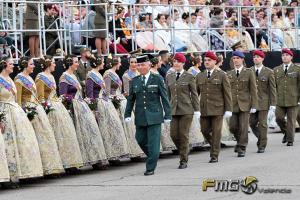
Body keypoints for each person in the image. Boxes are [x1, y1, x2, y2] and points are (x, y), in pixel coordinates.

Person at [15, 56, 64, 176]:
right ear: (25, 65)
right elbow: (18, 100)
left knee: (45, 137)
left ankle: (49, 167)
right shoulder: (18, 79)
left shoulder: (30, 78)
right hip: (28, 111)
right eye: (31, 64)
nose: (33, 66)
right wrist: (24, 113)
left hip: (37, 109)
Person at [124, 55, 172, 176]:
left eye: (142, 64)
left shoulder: (157, 79)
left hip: (155, 116)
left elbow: (165, 98)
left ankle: (150, 167)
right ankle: (153, 155)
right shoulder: (134, 81)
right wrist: (127, 114)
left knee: (153, 142)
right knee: (140, 139)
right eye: (138, 65)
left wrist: (168, 115)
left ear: (149, 65)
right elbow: (130, 99)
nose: (140, 67)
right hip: (140, 116)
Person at [35, 56, 83, 173]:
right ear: (48, 64)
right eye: (53, 63)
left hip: (57, 106)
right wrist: (46, 110)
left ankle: (69, 163)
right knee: (56, 136)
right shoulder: (40, 77)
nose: (55, 65)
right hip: (50, 108)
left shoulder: (51, 76)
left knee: (66, 134)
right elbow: (40, 97)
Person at [59, 55, 108, 169]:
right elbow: (63, 95)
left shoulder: (73, 76)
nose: (78, 64)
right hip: (73, 107)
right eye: (76, 62)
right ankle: (73, 164)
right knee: (77, 134)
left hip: (80, 105)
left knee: (90, 131)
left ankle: (94, 158)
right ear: (70, 63)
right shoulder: (64, 77)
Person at [0, 57, 43, 188]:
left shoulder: (10, 80)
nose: (13, 66)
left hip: (15, 112)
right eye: (11, 64)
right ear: (4, 65)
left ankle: (18, 174)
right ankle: (7, 177)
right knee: (8, 145)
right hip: (4, 112)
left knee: (19, 143)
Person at [86, 55, 130, 161]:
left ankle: (113, 154)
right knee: (103, 131)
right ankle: (106, 157)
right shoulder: (91, 75)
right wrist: (93, 109)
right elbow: (90, 94)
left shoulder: (98, 74)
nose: (104, 63)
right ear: (98, 63)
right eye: (102, 62)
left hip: (105, 104)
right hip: (99, 105)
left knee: (111, 129)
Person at [196, 51, 233, 163]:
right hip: (204, 108)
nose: (206, 62)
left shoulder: (222, 75)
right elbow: (195, 93)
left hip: (218, 108)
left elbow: (227, 93)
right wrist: (195, 108)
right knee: (204, 130)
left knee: (216, 132)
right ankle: (215, 145)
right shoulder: (200, 76)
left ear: (215, 62)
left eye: (209, 60)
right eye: (205, 60)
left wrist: (228, 109)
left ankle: (214, 154)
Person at [166, 53, 200, 169]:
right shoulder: (169, 76)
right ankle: (184, 149)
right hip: (173, 110)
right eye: (174, 61)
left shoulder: (189, 76)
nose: (176, 63)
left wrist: (197, 110)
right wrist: (166, 110)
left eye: (178, 61)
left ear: (183, 63)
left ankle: (183, 160)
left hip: (186, 110)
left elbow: (194, 94)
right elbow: (167, 95)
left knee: (183, 135)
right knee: (174, 135)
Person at [103, 56, 142, 159]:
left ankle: (135, 150)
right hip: (115, 102)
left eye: (135, 62)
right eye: (119, 62)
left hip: (121, 99)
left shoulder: (115, 73)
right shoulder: (110, 74)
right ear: (116, 63)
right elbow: (107, 92)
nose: (121, 64)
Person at [228, 51, 258, 157]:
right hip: (233, 105)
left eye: (237, 58)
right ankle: (239, 141)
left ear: (242, 59)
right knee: (232, 127)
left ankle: (242, 147)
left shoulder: (249, 72)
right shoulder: (229, 73)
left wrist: (254, 105)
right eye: (234, 58)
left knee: (243, 127)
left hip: (245, 104)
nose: (235, 60)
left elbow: (253, 90)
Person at [249, 50, 276, 153]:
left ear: (262, 58)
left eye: (258, 57)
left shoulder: (269, 72)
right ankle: (262, 138)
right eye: (254, 57)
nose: (256, 58)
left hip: (264, 102)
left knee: (263, 124)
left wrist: (273, 104)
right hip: (252, 103)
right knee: (251, 123)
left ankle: (262, 145)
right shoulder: (249, 70)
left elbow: (272, 89)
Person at [274, 49, 300, 146]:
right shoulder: (276, 70)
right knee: (278, 118)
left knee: (291, 121)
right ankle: (285, 132)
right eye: (283, 55)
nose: (284, 57)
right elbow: (274, 86)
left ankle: (290, 140)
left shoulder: (297, 69)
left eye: (286, 55)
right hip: (280, 99)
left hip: (293, 99)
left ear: (291, 57)